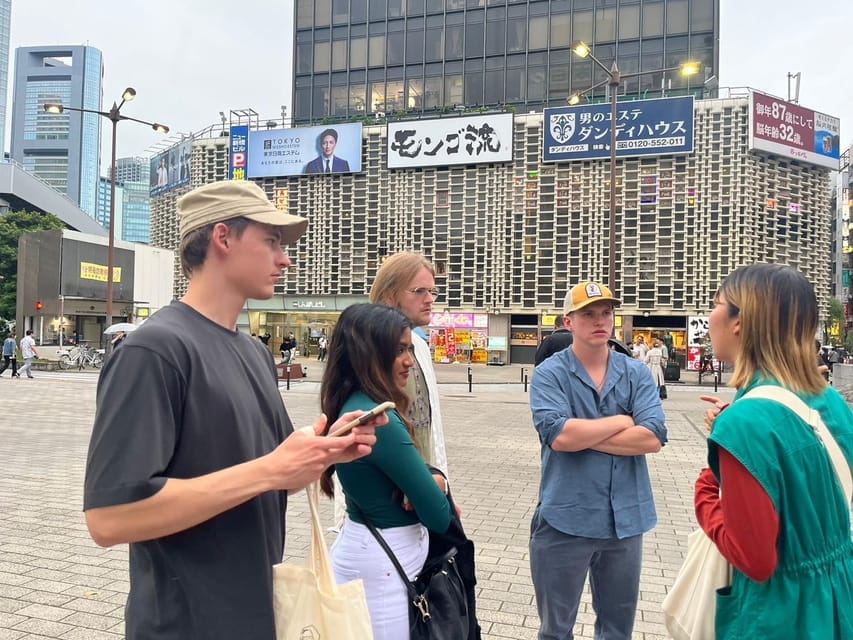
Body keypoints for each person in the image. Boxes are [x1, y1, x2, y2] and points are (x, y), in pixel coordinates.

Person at [82, 180, 384, 640]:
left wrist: (325, 450)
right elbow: (110, 519)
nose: (284, 258)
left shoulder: (253, 351)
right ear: (223, 238)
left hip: (262, 612)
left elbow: (277, 471)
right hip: (184, 625)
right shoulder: (154, 350)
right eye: (271, 242)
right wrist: (271, 470)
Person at [694, 263, 853, 639]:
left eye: (716, 303)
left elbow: (755, 559)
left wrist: (706, 491)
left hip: (780, 615)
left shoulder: (745, 422)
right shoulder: (830, 401)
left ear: (739, 321)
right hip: (838, 598)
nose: (709, 315)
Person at [529, 281, 667, 640]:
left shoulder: (635, 372)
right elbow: (560, 436)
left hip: (626, 521)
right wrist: (623, 422)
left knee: (617, 630)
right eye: (588, 314)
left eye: (606, 312)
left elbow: (652, 438)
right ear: (568, 321)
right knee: (555, 630)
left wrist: (584, 436)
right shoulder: (549, 374)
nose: (599, 320)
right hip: (565, 518)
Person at [320, 303, 452, 639]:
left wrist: (428, 479)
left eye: (409, 348)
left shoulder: (353, 403)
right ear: (368, 354)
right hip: (384, 567)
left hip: (370, 550)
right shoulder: (379, 419)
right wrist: (437, 484)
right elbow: (438, 516)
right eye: (398, 351)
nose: (410, 360)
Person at [369, 251, 448, 474]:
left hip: (423, 485)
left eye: (433, 291)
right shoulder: (368, 348)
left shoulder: (420, 346)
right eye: (419, 291)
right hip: (387, 494)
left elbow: (431, 431)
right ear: (388, 295)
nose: (430, 299)